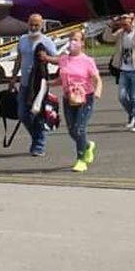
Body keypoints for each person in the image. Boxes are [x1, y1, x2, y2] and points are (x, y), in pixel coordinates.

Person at [10, 14, 58, 156]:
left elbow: (57, 58)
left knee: (37, 113)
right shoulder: (23, 40)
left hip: (39, 84)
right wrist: (13, 77)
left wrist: (46, 58)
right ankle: (37, 137)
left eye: (36, 25)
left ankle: (39, 144)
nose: (33, 27)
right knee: (22, 114)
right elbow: (19, 58)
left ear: (41, 25)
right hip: (25, 83)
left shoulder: (46, 41)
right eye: (31, 24)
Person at [57, 29, 103, 172]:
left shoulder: (88, 61)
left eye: (76, 39)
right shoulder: (63, 59)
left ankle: (81, 159)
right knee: (72, 130)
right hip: (68, 97)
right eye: (71, 39)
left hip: (85, 98)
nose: (73, 42)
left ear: (82, 43)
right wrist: (49, 83)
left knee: (79, 128)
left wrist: (98, 90)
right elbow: (62, 78)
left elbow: (97, 79)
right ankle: (87, 145)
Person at [103, 14, 135, 132]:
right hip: (124, 69)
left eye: (125, 19)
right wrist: (110, 25)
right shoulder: (121, 33)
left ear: (132, 20)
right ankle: (133, 114)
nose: (123, 22)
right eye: (122, 20)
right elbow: (107, 38)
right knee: (122, 96)